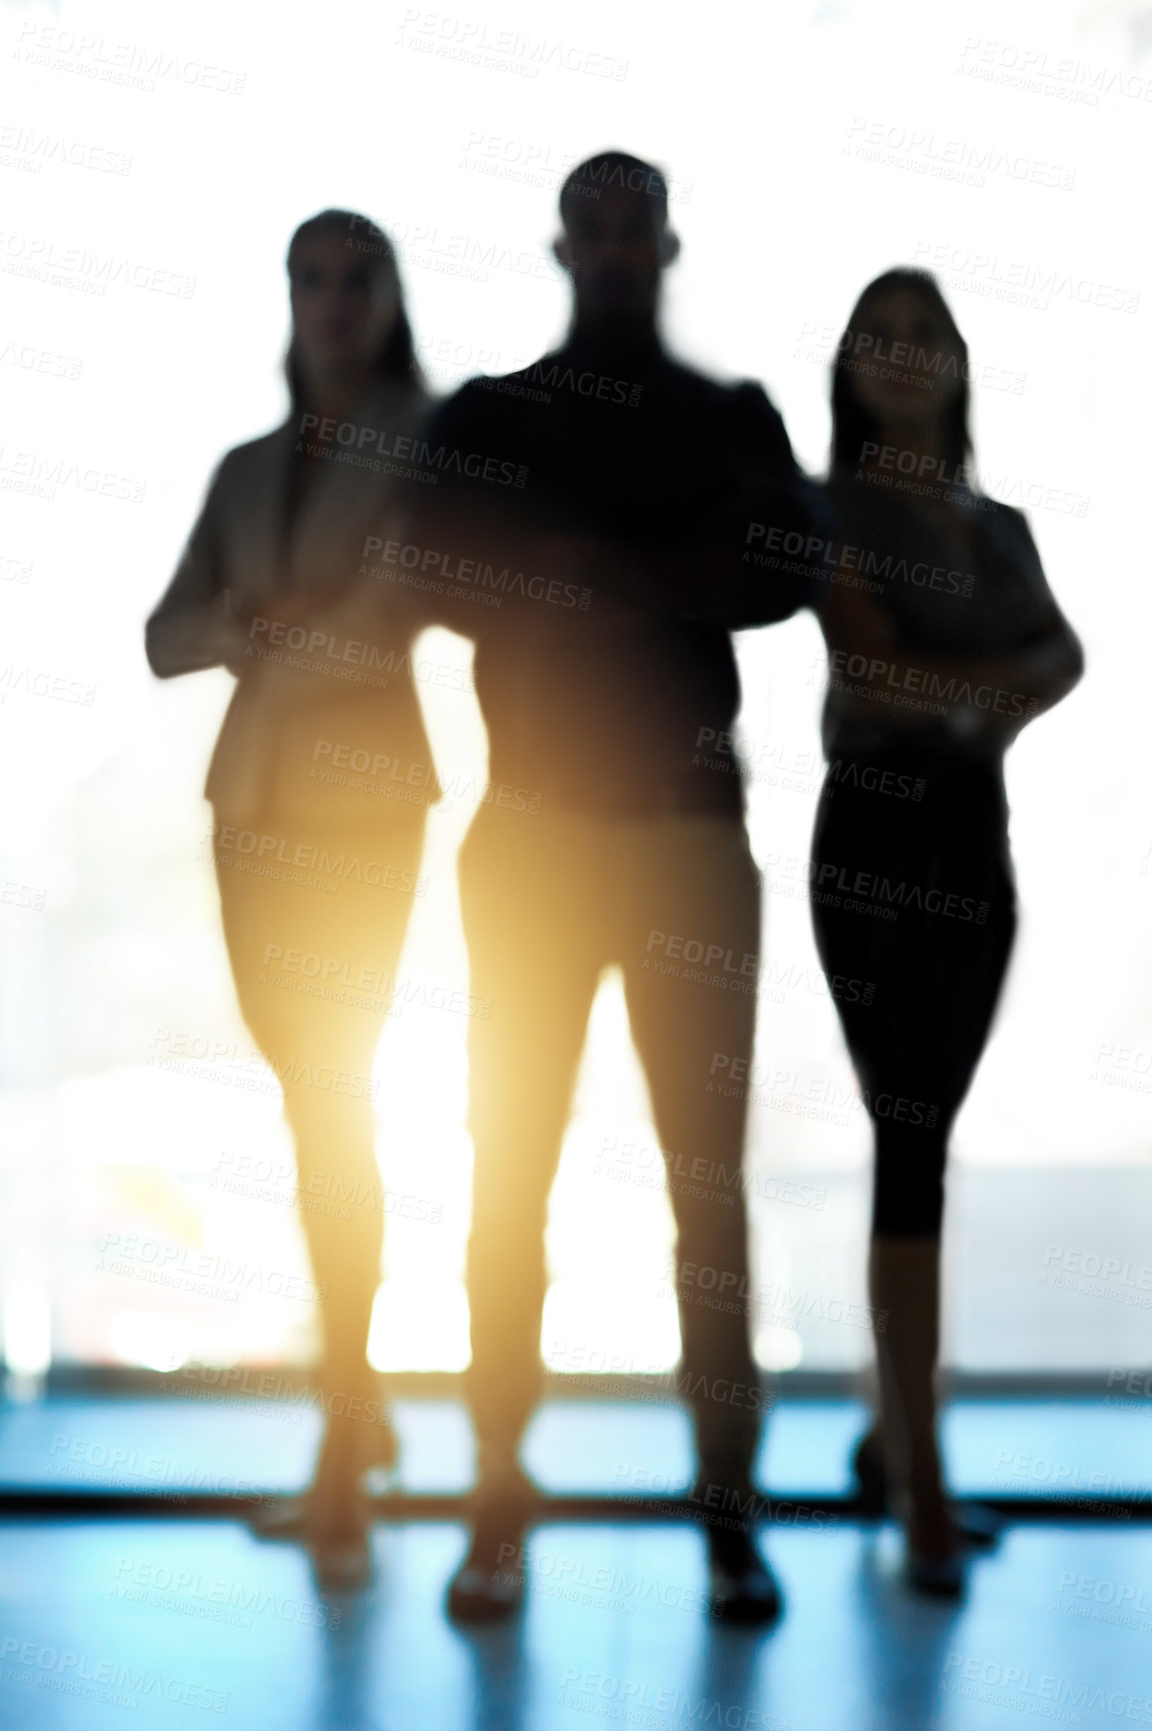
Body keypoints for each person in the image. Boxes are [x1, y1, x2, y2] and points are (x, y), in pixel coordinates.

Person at [404, 151, 820, 1624]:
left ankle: (725, 1514)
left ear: (664, 243)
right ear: (566, 243)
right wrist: (648, 571)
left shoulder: (726, 417)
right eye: (598, 224)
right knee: (507, 1176)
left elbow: (785, 568)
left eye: (635, 223)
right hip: (536, 836)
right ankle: (498, 1508)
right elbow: (429, 561)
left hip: (685, 834)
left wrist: (573, 569)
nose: (618, 245)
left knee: (704, 1191)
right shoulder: (498, 415)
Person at [146, 209, 438, 1588]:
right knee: (308, 1100)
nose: (333, 298)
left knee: (337, 1100)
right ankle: (356, 1409)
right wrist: (258, 633)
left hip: (364, 803)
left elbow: (392, 621)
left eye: (358, 275)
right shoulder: (248, 467)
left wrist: (257, 638)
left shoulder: (427, 443)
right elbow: (163, 636)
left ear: (391, 296)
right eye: (312, 276)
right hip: (251, 808)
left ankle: (343, 1444)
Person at [808, 268, 1083, 1593]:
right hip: (874, 840)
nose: (906, 354)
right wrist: (987, 692)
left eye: (928, 333)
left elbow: (1065, 658)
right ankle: (923, 1486)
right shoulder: (835, 509)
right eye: (882, 335)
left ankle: (889, 1434)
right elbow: (874, 674)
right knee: (906, 1141)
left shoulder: (1001, 525)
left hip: (977, 842)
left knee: (929, 1139)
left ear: (960, 361)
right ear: (849, 368)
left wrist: (958, 699)